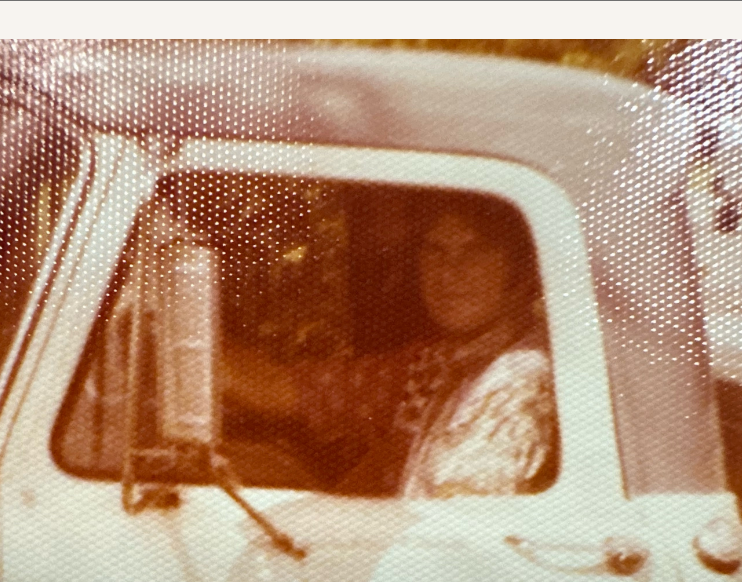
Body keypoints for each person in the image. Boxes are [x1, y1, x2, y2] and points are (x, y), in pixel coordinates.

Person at [220, 193, 558, 497]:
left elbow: (453, 534)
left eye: (475, 251)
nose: (449, 273)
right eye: (435, 251)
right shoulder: (436, 362)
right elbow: (280, 389)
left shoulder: (522, 376)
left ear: (519, 270)